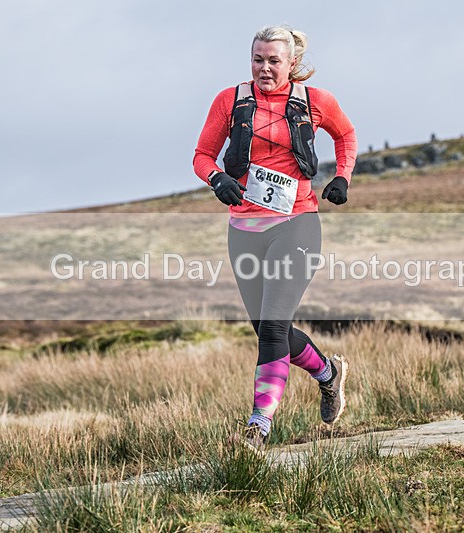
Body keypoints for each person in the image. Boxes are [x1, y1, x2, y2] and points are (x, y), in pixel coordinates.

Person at [193, 24, 357, 451]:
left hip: (297, 224)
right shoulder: (229, 101)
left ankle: (257, 427)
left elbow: (346, 136)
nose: (264, 68)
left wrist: (342, 177)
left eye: (273, 61)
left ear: (292, 64)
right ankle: (327, 373)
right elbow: (201, 155)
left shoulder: (316, 101)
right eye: (257, 60)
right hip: (244, 230)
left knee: (272, 331)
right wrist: (216, 179)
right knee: (269, 330)